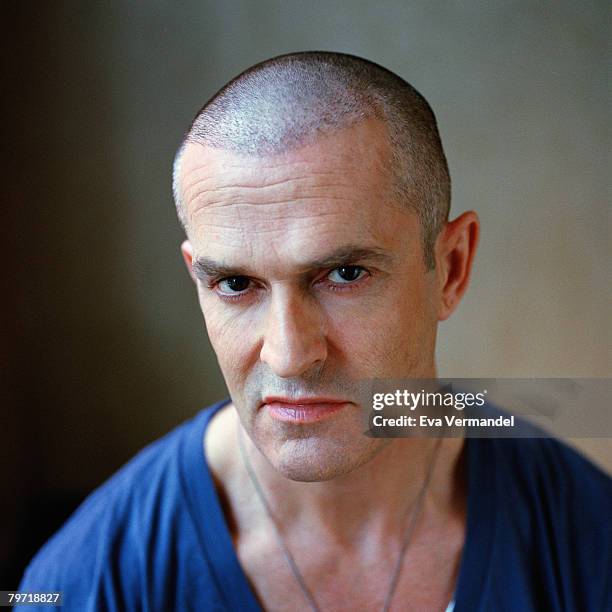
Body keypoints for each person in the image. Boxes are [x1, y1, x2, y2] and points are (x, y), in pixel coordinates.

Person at [17, 52, 611, 611]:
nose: (291, 354)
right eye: (235, 285)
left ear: (450, 269)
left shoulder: (588, 541)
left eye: (344, 274)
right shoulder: (89, 580)